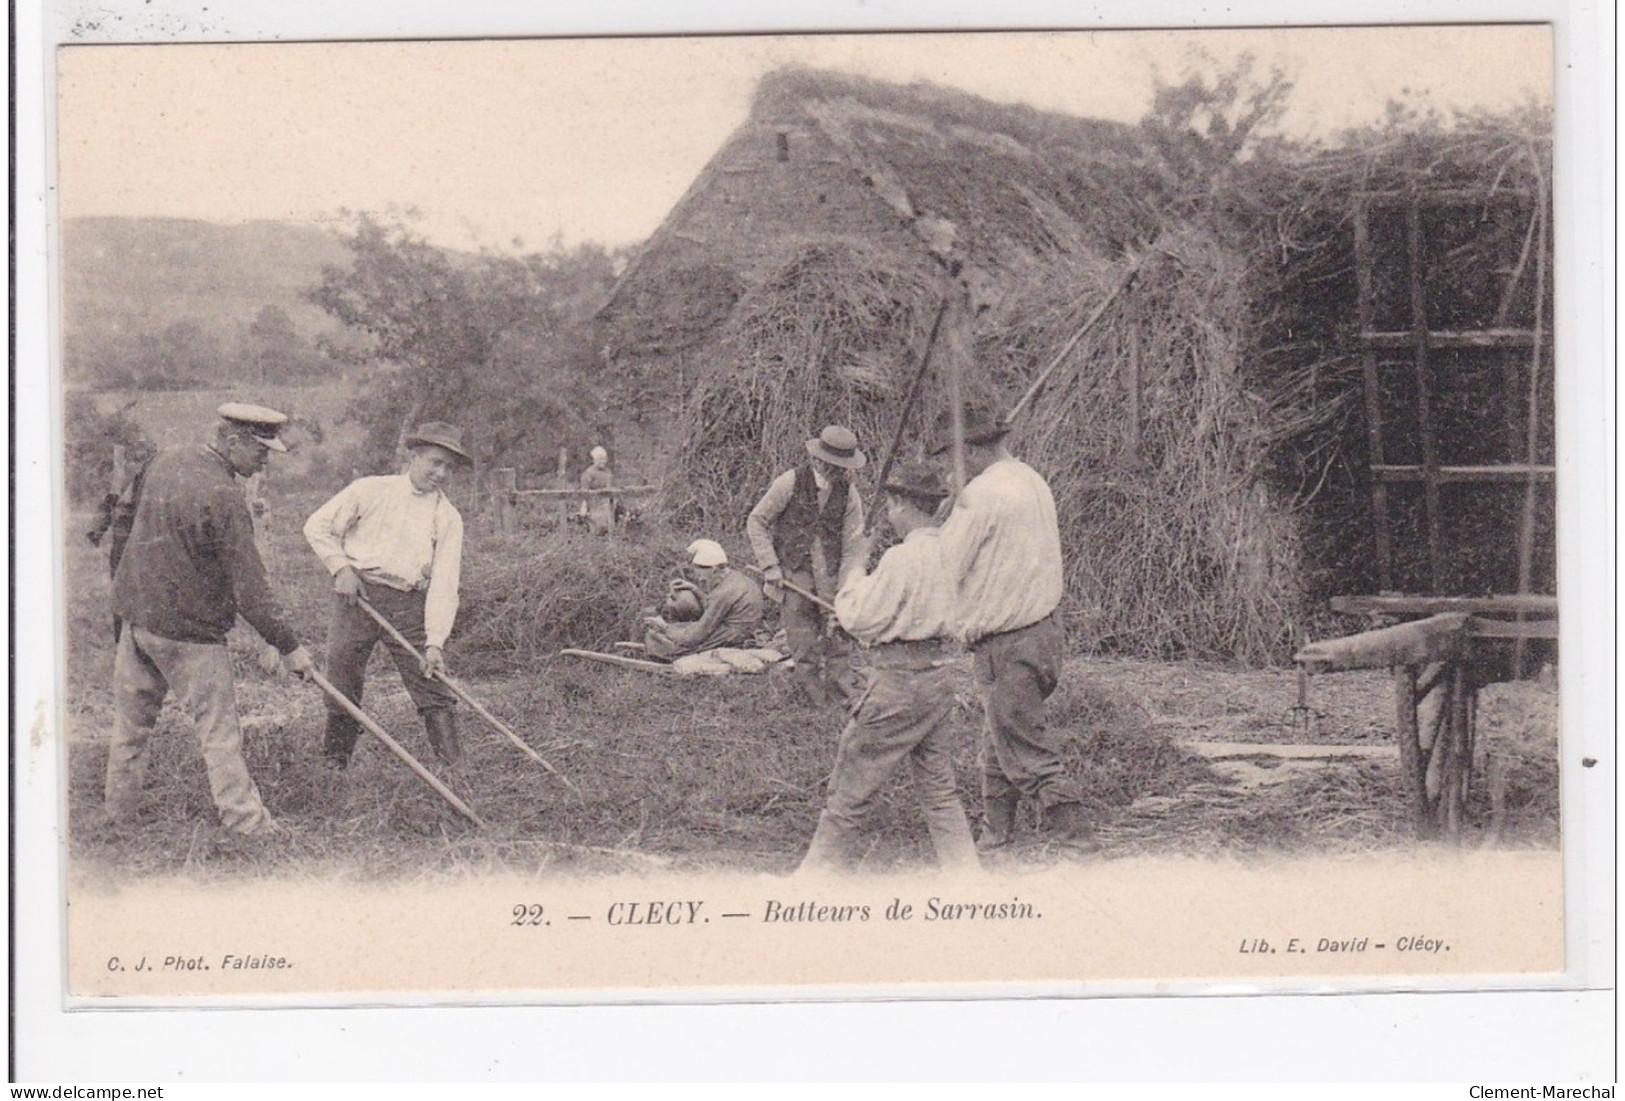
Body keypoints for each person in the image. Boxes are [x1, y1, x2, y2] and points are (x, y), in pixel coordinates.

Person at [104, 403, 316, 837]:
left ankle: (117, 817)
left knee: (130, 729)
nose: (265, 460)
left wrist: (122, 599)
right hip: (190, 634)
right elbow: (251, 589)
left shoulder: (166, 457)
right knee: (219, 735)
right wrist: (289, 647)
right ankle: (248, 825)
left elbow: (121, 522)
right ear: (233, 440)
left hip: (138, 621)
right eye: (260, 450)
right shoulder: (225, 495)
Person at [797, 461, 979, 874]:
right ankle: (968, 881)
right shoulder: (953, 551)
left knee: (850, 788)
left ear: (900, 504)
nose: (890, 515)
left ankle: (812, 882)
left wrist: (854, 566)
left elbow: (859, 616)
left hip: (899, 682)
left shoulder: (902, 558)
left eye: (892, 505)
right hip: (939, 676)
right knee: (939, 790)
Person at [930, 403, 1096, 851]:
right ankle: (995, 829)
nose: (947, 467)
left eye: (949, 457)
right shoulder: (1029, 479)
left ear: (969, 453)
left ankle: (1074, 833)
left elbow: (942, 564)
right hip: (1041, 631)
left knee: (1022, 742)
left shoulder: (980, 496)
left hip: (1007, 638)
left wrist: (927, 527)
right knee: (998, 733)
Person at [303, 422, 470, 770]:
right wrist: (342, 569)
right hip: (357, 597)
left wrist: (436, 642)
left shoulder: (447, 517)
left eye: (448, 468)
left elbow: (444, 582)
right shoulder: (370, 490)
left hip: (408, 604)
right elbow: (317, 526)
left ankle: (455, 769)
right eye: (434, 462)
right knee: (342, 678)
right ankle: (334, 767)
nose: (440, 473)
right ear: (414, 455)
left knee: (430, 678)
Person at [746, 424, 866, 706]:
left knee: (838, 633)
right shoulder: (788, 482)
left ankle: (840, 698)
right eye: (833, 465)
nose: (838, 471)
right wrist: (770, 566)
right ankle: (811, 700)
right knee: (803, 638)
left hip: (831, 572)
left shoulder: (849, 495)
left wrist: (848, 585)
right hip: (794, 570)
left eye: (843, 466)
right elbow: (757, 521)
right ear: (817, 459)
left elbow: (853, 545)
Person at [641, 539, 764, 660]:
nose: (700, 580)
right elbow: (716, 608)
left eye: (702, 576)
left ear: (714, 569)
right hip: (742, 630)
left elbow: (696, 635)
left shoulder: (724, 592)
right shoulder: (735, 578)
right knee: (678, 628)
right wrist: (695, 589)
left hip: (732, 637)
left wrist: (665, 627)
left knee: (657, 638)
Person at [86, 438, 155, 641]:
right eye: (138, 453)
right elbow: (109, 504)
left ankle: (141, 641)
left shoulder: (155, 480)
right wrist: (96, 531)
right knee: (120, 592)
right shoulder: (122, 479)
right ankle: (122, 641)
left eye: (145, 452)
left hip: (146, 545)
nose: (140, 458)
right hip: (122, 545)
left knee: (146, 595)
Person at [579, 445, 615, 534]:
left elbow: (610, 488)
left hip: (606, 504)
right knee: (596, 527)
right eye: (599, 459)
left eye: (604, 459)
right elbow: (584, 492)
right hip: (594, 504)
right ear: (594, 460)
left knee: (609, 526)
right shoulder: (588, 473)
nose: (602, 461)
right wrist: (584, 506)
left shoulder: (608, 472)